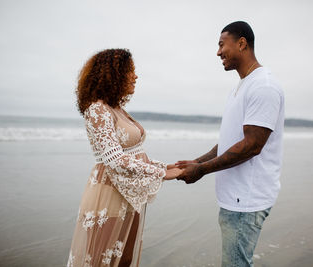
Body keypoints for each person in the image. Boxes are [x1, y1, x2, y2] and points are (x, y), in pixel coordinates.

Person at [175, 21, 285, 266]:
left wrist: (202, 170)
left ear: (242, 43)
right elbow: (229, 142)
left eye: (221, 45)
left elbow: (252, 145)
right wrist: (197, 161)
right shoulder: (241, 87)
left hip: (246, 200)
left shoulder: (263, 85)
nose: (218, 52)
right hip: (235, 199)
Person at [67, 48, 182, 267]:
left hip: (130, 191)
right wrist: (162, 173)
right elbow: (115, 160)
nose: (135, 76)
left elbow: (132, 154)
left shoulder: (117, 108)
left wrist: (163, 165)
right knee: (104, 260)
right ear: (114, 73)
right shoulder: (97, 110)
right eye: (131, 71)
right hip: (108, 192)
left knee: (125, 259)